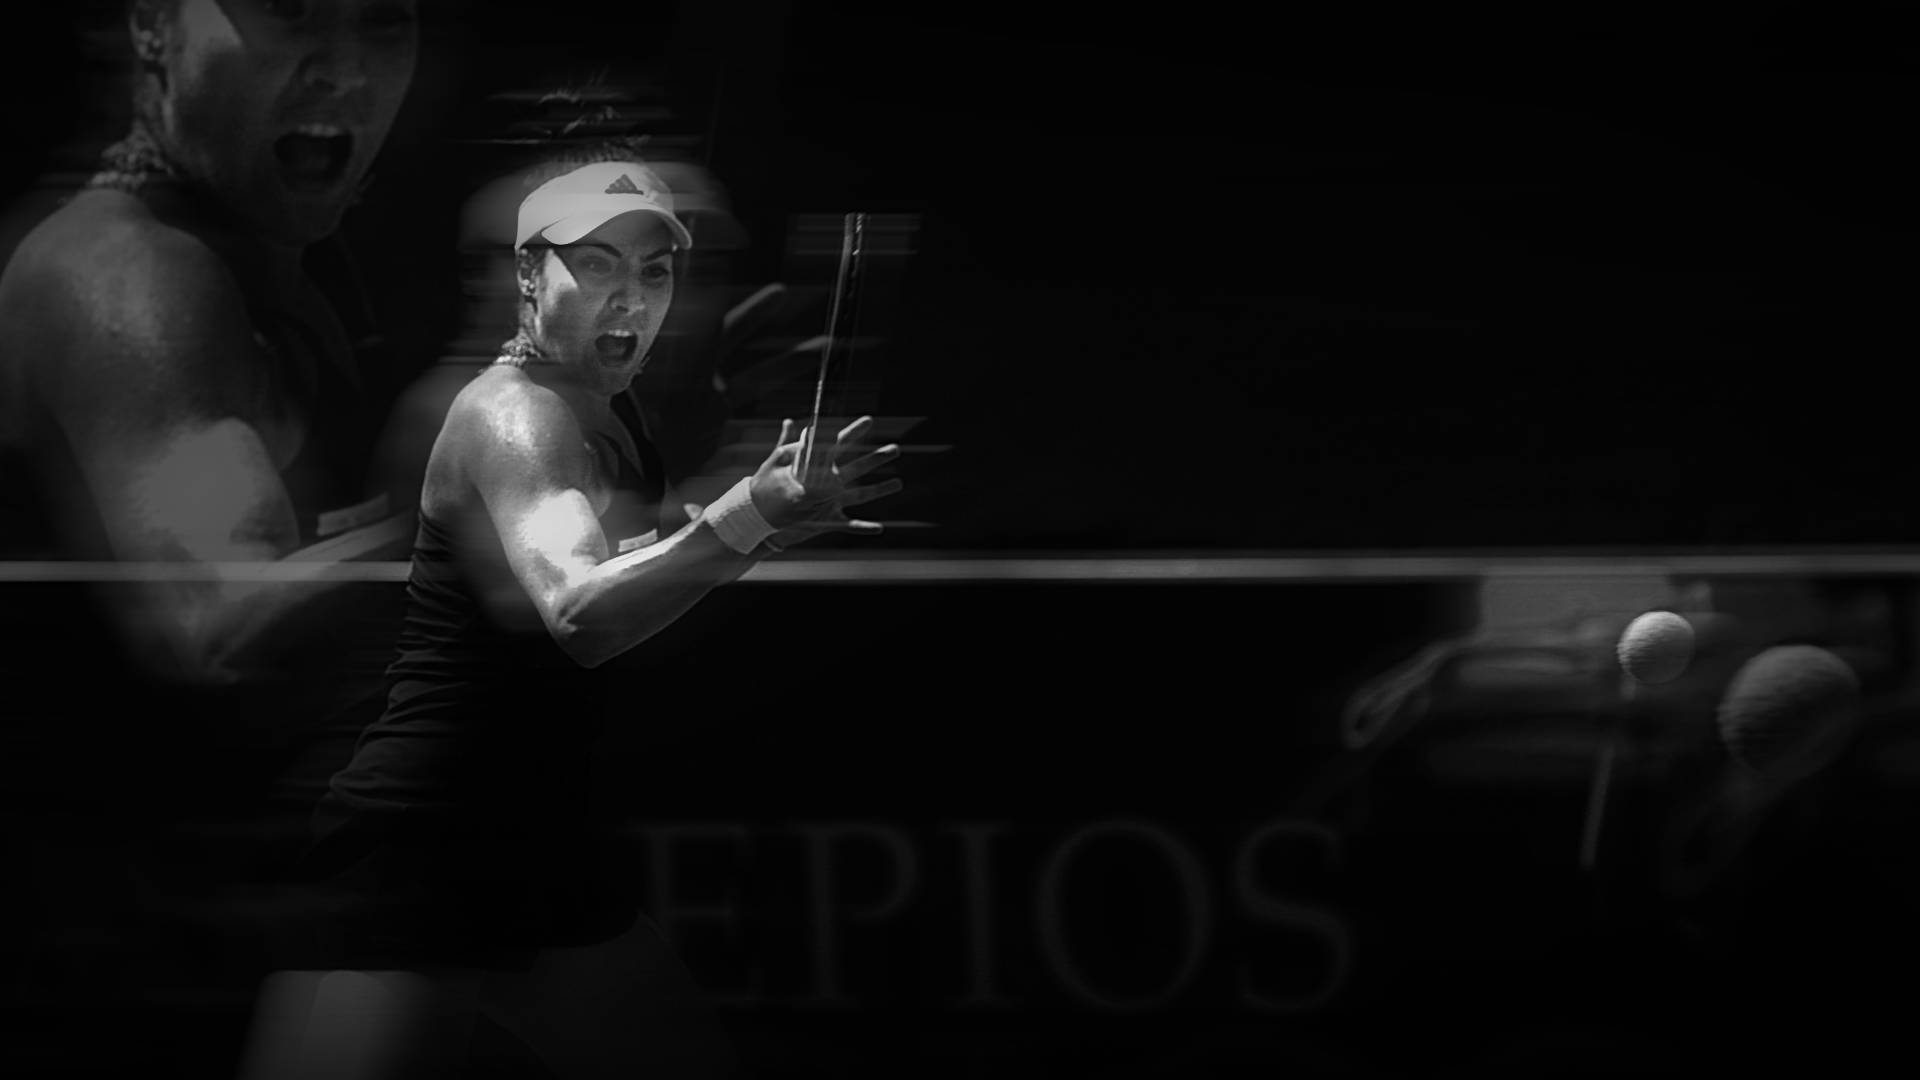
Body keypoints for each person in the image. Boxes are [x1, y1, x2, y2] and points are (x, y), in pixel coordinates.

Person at [242, 142, 902, 1078]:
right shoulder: (518, 414)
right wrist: (748, 517)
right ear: (527, 274)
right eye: (595, 264)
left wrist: (758, 520)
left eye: (654, 271)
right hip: (427, 847)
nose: (629, 297)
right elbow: (582, 613)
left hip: (538, 839)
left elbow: (627, 572)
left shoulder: (606, 408)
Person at [0, 1, 420, 1073]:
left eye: (385, 19)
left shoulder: (262, 255)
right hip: (133, 997)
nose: (344, 67)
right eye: (291, 10)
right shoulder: (128, 276)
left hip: (254, 951)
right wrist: (506, 488)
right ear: (151, 24)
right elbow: (227, 624)